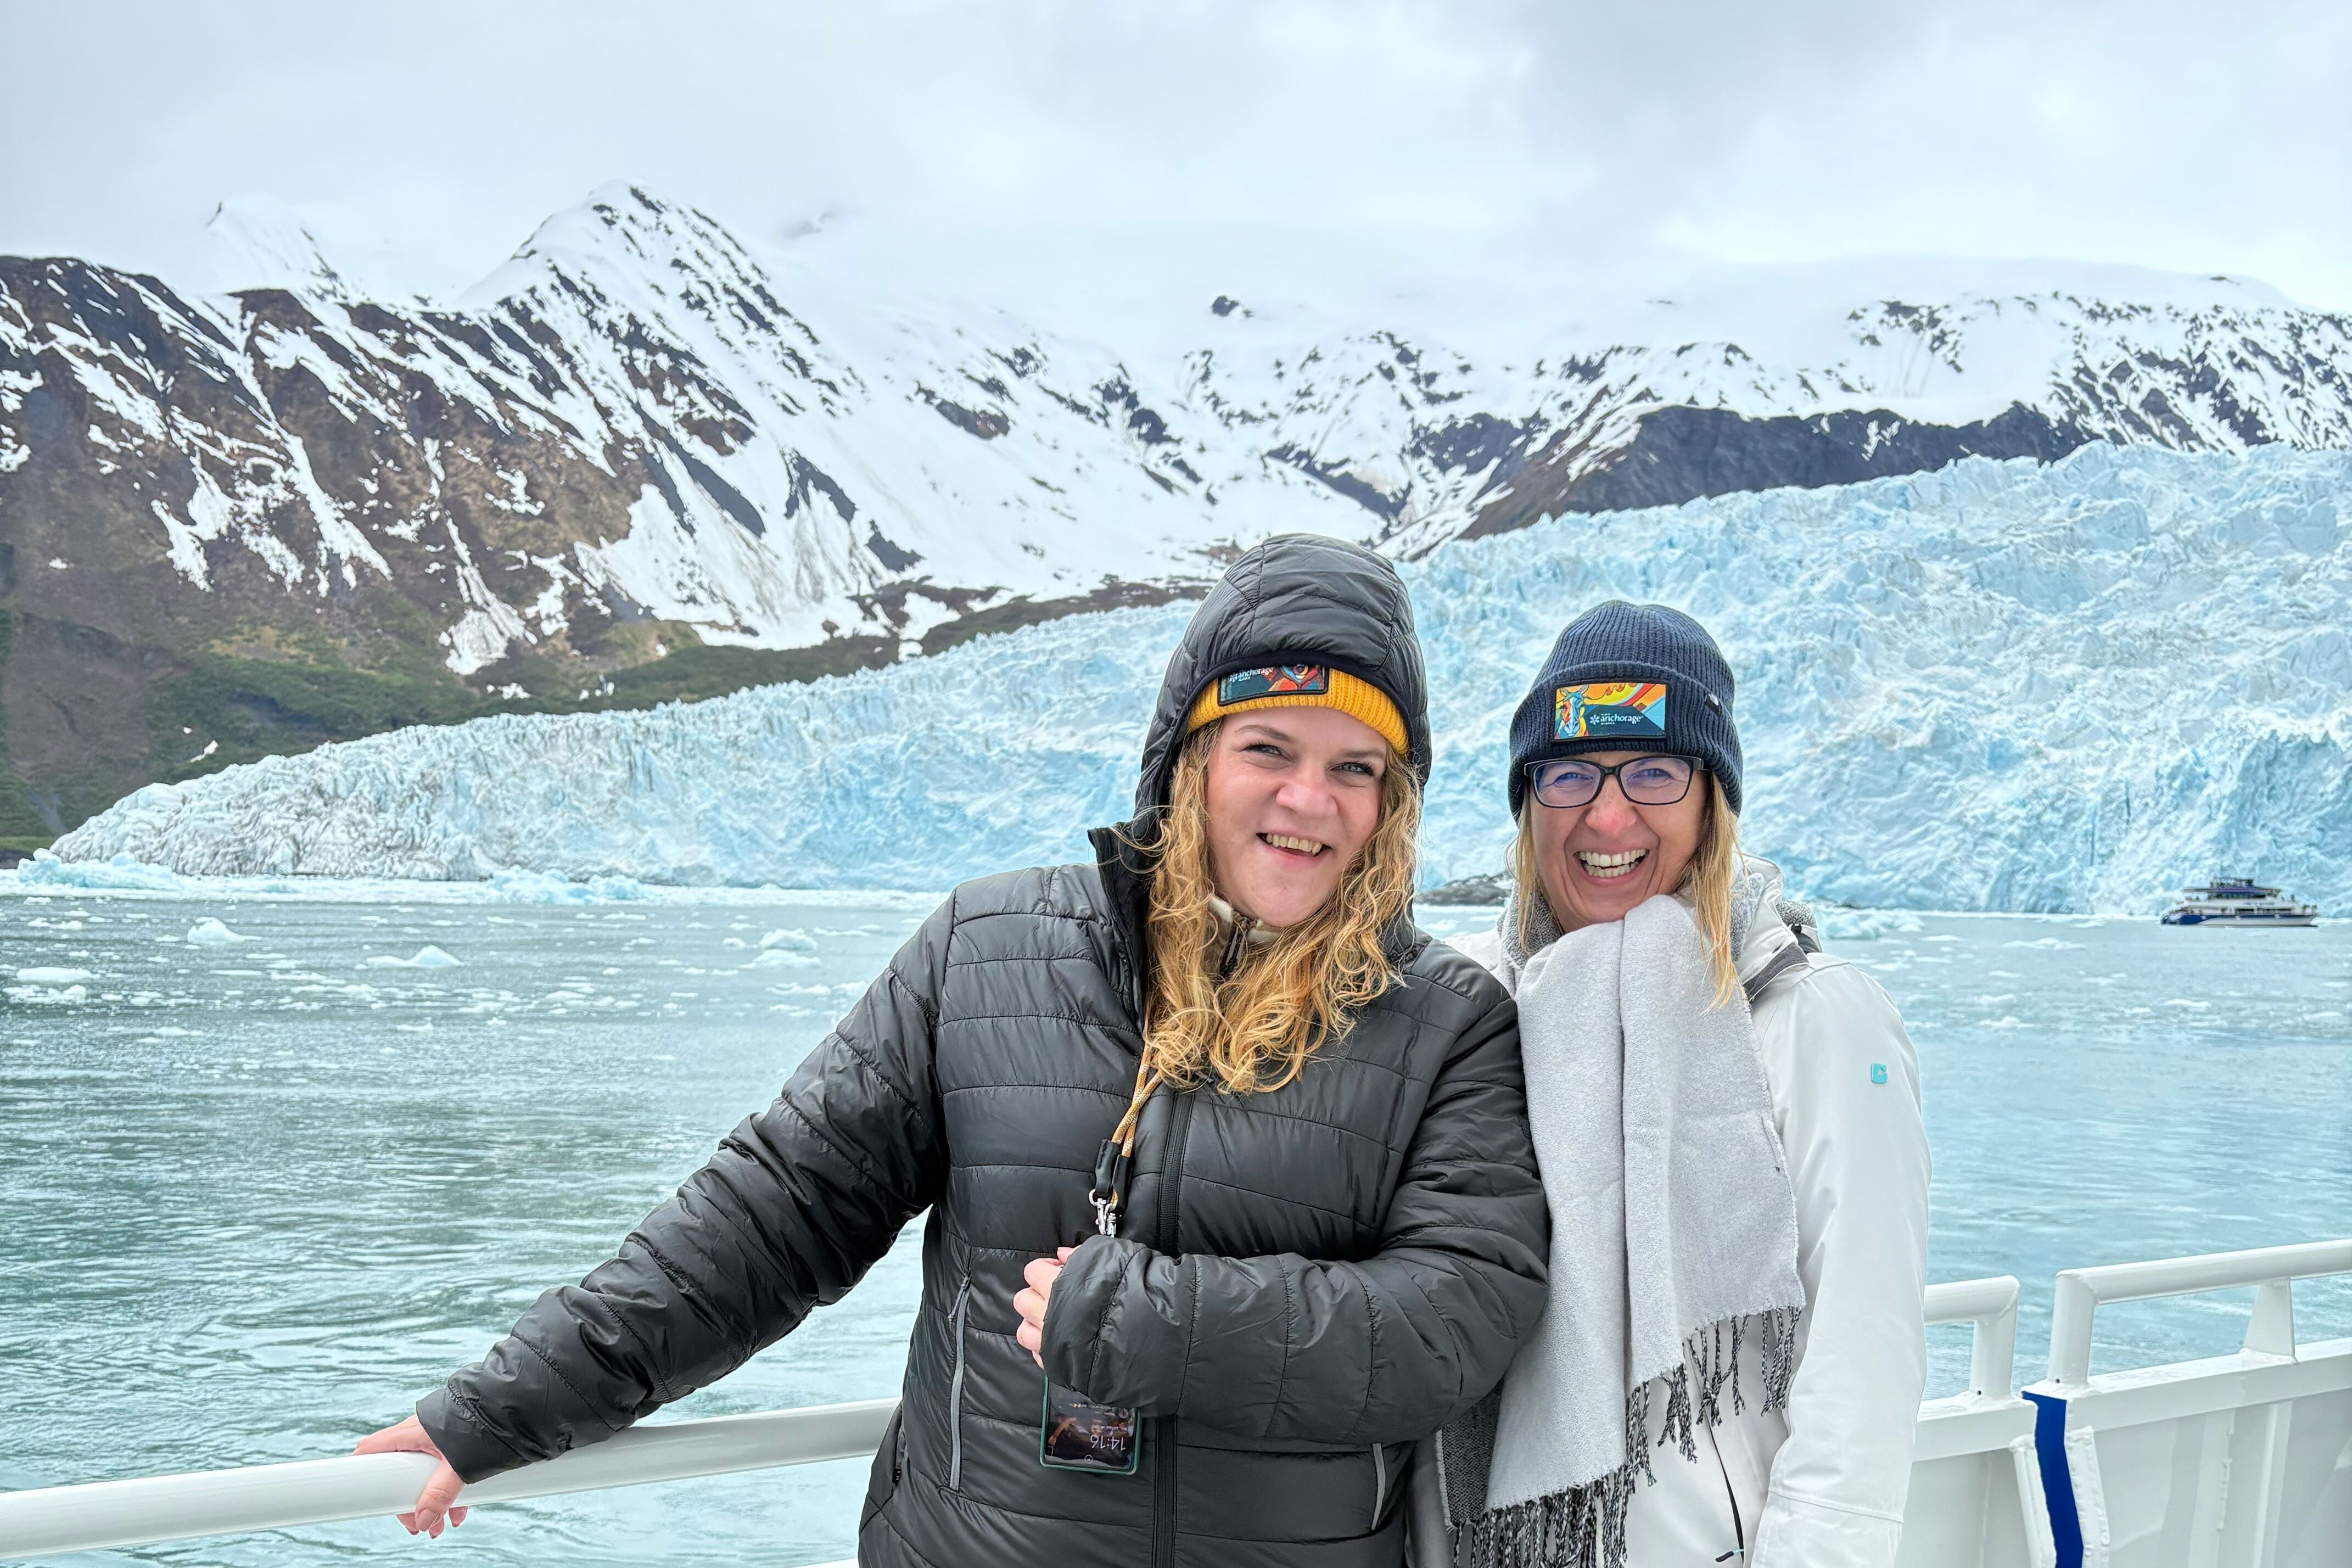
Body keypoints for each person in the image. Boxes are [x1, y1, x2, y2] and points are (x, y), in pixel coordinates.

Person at [357, 533, 1550, 1568]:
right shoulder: (991, 953)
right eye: (1268, 750)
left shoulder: (1442, 1019)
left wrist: (1164, 1327)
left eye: (1357, 769)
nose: (1309, 800)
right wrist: (508, 1407)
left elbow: (1458, 1316)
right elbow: (779, 1210)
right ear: (1189, 761)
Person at [1412, 602, 1930, 1568]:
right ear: (1529, 803)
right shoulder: (1468, 1006)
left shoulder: (1810, 1017)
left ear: (1711, 801)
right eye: (1570, 775)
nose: (1609, 817)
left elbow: (1864, 1356)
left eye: (1655, 772)